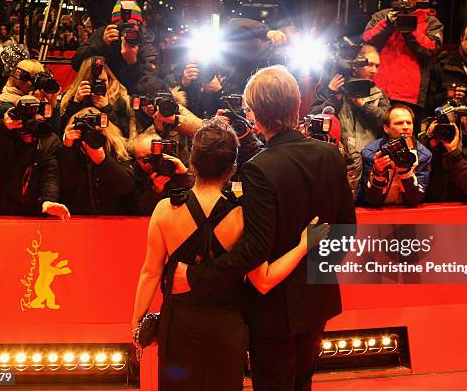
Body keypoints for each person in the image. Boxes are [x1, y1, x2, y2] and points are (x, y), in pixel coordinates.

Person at [171, 65, 356, 390]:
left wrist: (196, 276)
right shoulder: (330, 155)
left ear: (256, 115)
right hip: (318, 302)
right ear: (296, 105)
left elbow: (255, 249)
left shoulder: (259, 169)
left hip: (274, 308)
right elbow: (346, 230)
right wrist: (314, 273)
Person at [132, 118, 326, 390]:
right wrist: (304, 245)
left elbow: (150, 273)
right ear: (232, 166)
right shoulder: (244, 215)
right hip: (227, 327)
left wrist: (137, 323)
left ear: (192, 161)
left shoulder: (165, 210)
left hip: (177, 325)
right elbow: (265, 279)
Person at [0, 95, 69, 218]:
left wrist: (48, 200)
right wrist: (4, 131)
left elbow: (50, 173)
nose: (28, 130)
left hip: (28, 214)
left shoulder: (47, 137)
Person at [311, 44, 390, 192]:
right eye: (369, 65)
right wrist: (333, 96)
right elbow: (313, 120)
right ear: (354, 65)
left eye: (377, 66)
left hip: (370, 160)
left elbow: (387, 124)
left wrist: (363, 105)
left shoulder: (379, 94)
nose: (374, 70)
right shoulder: (332, 89)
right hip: (340, 161)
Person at [362, 0, 443, 115]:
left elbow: (430, 50)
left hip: (409, 96)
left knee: (405, 135)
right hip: (376, 90)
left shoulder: (432, 22)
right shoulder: (382, 16)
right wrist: (387, 24)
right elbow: (366, 41)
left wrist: (409, 28)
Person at [71, 0, 163, 95]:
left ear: (139, 25)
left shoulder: (145, 43)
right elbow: (76, 63)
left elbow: (148, 86)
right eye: (122, 26)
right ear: (113, 25)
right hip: (101, 93)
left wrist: (132, 63)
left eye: (131, 26)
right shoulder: (103, 34)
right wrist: (102, 44)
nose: (127, 32)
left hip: (130, 96)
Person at [59, 106, 134, 215]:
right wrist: (67, 148)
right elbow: (65, 185)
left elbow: (126, 187)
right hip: (78, 217)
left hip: (111, 217)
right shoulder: (71, 148)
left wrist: (103, 161)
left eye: (97, 131)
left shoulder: (116, 147)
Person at [358, 104, 432, 207]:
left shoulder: (423, 155)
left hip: (407, 213)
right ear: (386, 128)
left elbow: (414, 200)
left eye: (409, 123)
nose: (406, 127)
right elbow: (371, 201)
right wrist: (378, 174)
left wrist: (405, 172)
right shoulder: (371, 153)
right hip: (379, 212)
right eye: (399, 123)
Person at [60, 56, 134, 137]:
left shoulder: (119, 99)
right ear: (84, 80)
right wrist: (76, 103)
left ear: (109, 79)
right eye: (93, 81)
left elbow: (124, 135)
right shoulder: (71, 97)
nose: (98, 84)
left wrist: (107, 108)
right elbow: (63, 131)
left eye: (103, 81)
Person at [127, 129, 194, 215]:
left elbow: (196, 203)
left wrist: (185, 175)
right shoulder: (133, 173)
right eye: (140, 158)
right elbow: (140, 212)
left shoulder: (175, 167)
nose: (145, 162)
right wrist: (155, 191)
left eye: (149, 156)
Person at [0, 59, 60, 135]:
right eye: (33, 79)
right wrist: (34, 104)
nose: (35, 84)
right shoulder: (7, 106)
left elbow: (55, 137)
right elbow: (32, 135)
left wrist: (53, 103)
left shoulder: (41, 101)